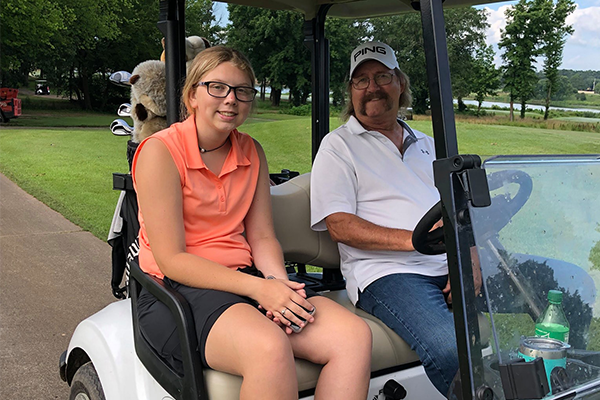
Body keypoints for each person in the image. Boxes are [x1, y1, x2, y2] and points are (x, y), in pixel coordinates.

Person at [132, 46, 372, 400]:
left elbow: (261, 236)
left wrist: (278, 284)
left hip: (244, 282)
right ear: (192, 95)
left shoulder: (251, 152)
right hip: (175, 292)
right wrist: (260, 290)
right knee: (268, 347)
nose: (230, 100)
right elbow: (172, 259)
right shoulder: (160, 152)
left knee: (352, 336)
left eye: (242, 91)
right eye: (217, 87)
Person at [310, 41, 480, 397]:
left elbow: (461, 209)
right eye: (361, 80)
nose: (372, 87)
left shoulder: (430, 145)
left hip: (449, 263)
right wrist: (418, 239)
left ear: (400, 83)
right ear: (351, 91)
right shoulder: (338, 146)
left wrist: (470, 255)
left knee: (562, 287)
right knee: (453, 349)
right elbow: (340, 225)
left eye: (382, 76)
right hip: (388, 273)